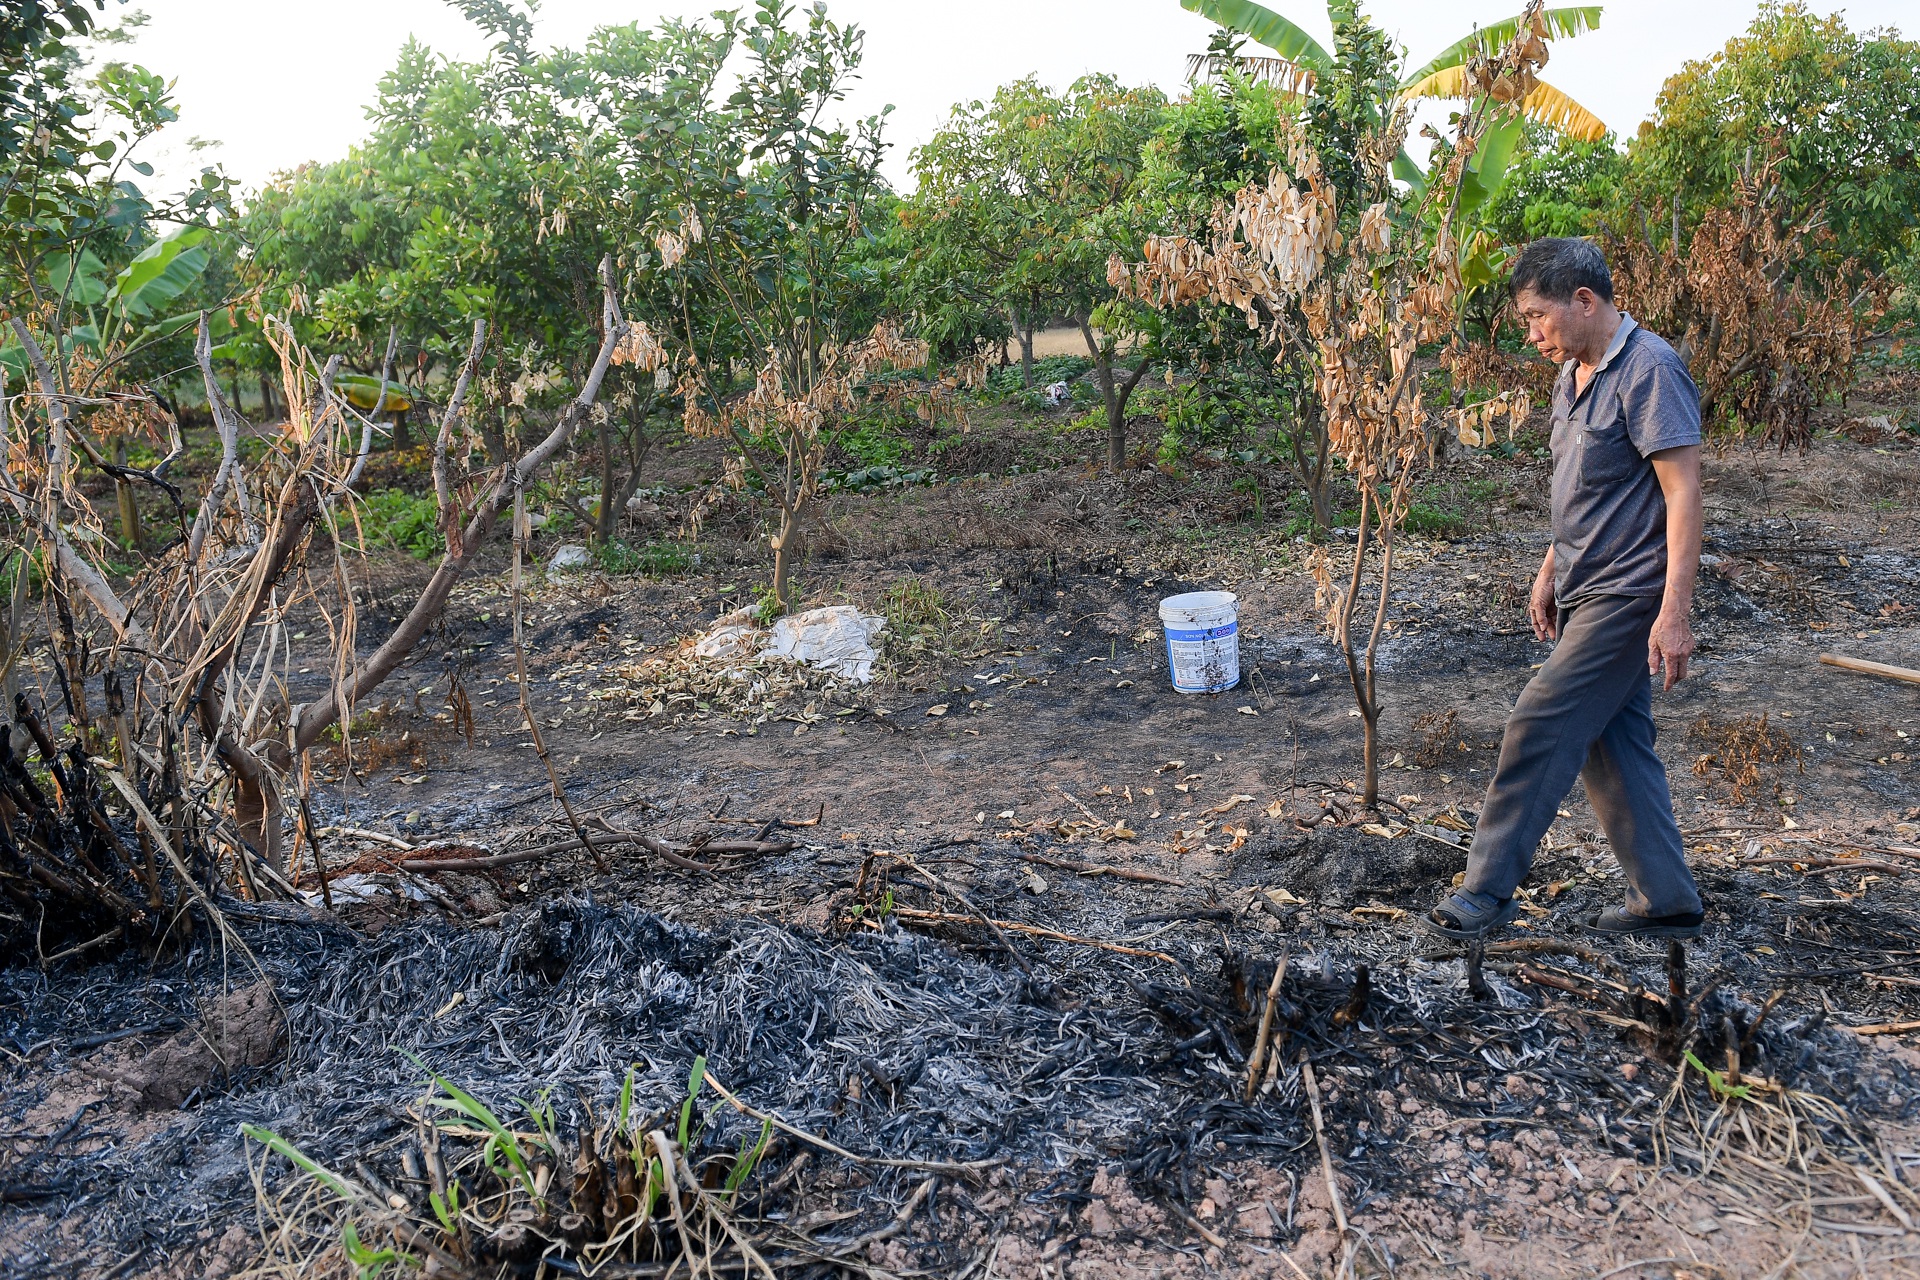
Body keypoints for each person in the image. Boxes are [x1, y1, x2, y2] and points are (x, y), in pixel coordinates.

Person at [1423, 237, 1707, 941]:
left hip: (1628, 592)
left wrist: (1674, 611)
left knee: (1540, 724)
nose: (1531, 333)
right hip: (1585, 583)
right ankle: (1669, 902)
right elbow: (1588, 490)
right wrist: (1552, 568)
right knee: (1615, 748)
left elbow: (1684, 494)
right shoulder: (1573, 374)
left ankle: (1485, 893)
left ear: (1584, 301)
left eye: (1536, 316)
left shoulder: (1651, 370)